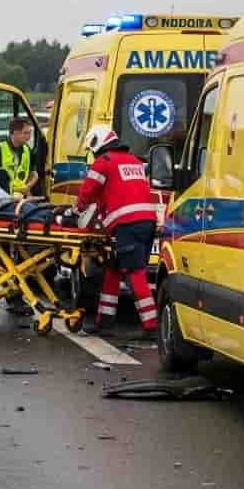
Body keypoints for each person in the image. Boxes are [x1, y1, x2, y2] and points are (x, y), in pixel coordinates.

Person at [76, 125, 162, 338]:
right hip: (147, 222)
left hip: (127, 225)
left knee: (135, 274)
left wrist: (76, 209)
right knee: (114, 269)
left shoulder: (103, 162)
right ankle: (104, 322)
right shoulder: (135, 161)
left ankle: (152, 327)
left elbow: (88, 190)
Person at [0, 117, 36, 196]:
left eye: (30, 132)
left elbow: (34, 174)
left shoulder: (27, 150)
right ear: (15, 133)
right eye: (26, 133)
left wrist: (28, 187)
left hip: (21, 196)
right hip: (2, 196)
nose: (29, 136)